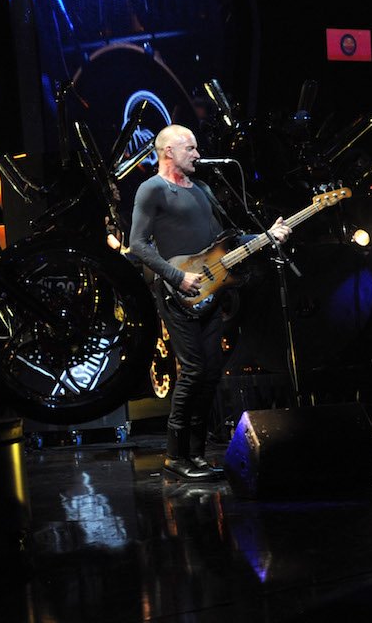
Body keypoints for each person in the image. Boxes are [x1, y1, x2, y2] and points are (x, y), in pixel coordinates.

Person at [128, 124, 290, 481]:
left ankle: (196, 455)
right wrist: (177, 276)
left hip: (211, 292)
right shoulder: (152, 188)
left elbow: (225, 243)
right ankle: (175, 455)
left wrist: (267, 236)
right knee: (194, 371)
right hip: (177, 292)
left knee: (212, 371)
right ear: (168, 151)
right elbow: (137, 245)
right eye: (191, 149)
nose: (198, 154)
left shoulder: (202, 189)